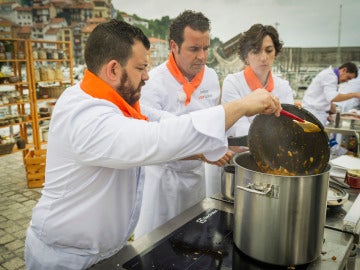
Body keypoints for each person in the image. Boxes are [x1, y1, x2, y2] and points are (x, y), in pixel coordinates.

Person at [24, 19, 281, 269]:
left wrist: (207, 146)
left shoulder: (114, 100)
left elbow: (164, 120)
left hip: (107, 250)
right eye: (140, 68)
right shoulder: (85, 116)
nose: (147, 75)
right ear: (113, 69)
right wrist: (241, 106)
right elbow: (156, 138)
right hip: (67, 257)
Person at [134, 10, 230, 239]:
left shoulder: (210, 78)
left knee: (194, 240)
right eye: (194, 49)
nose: (202, 56)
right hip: (162, 181)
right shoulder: (152, 83)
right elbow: (154, 142)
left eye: (206, 48)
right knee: (156, 244)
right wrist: (202, 152)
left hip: (195, 178)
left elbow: (212, 124)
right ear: (174, 46)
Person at [221, 23, 294, 138]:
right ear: (246, 56)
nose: (264, 57)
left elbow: (288, 124)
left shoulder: (283, 87)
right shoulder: (233, 83)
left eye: (269, 51)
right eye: (256, 51)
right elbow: (237, 129)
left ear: (275, 53)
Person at [302, 62, 359, 126]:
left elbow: (328, 99)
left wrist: (334, 114)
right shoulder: (330, 76)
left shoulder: (331, 76)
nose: (347, 81)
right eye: (348, 77)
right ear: (344, 70)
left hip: (317, 113)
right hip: (314, 113)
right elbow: (333, 97)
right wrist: (354, 95)